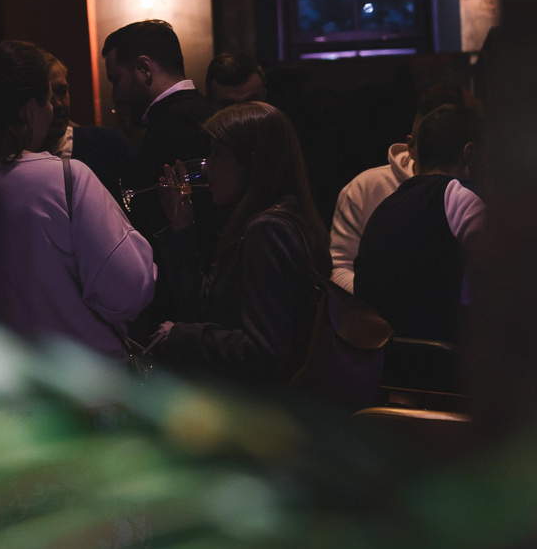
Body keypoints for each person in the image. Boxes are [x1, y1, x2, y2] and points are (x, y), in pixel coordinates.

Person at [0, 41, 154, 360]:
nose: (53, 109)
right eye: (47, 98)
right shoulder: (67, 179)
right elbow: (129, 289)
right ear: (30, 109)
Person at [147, 101, 330, 385]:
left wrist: (182, 335)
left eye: (217, 153)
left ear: (251, 163)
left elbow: (263, 353)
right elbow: (203, 306)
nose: (206, 166)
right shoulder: (281, 217)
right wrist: (181, 228)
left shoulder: (269, 230)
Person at [352, 103, 486, 343]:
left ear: (417, 151)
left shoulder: (386, 206)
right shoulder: (459, 195)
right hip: (443, 358)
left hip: (382, 356)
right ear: (470, 154)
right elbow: (512, 272)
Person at [328, 82, 468, 291]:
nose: (437, 152)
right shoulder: (365, 188)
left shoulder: (473, 191)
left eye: (447, 144)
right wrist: (381, 301)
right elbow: (340, 267)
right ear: (411, 145)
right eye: (429, 142)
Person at [101, 21, 209, 239]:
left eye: (116, 80)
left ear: (145, 68)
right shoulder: (203, 110)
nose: (115, 95)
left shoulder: (172, 125)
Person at [42, 57, 136, 199]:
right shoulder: (13, 163)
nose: (58, 104)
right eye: (46, 96)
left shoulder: (107, 145)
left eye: (62, 91)